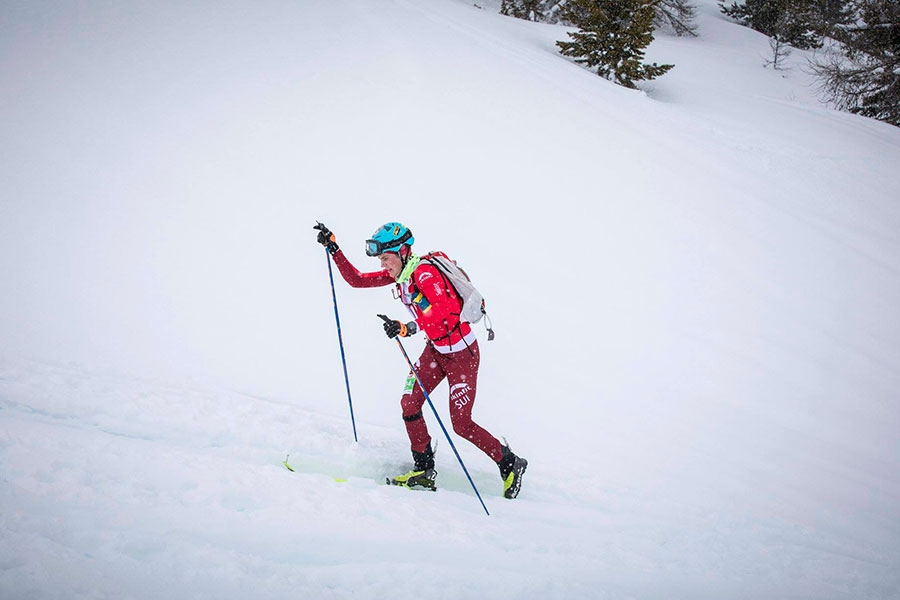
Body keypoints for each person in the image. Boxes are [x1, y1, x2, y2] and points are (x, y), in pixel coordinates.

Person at [314, 221, 527, 499]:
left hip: (462, 355)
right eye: (381, 260)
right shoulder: (401, 276)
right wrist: (334, 247)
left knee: (461, 424)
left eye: (386, 258)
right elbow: (356, 280)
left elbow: (444, 315)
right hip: (436, 352)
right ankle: (423, 470)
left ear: (402, 252)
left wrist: (406, 328)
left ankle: (510, 462)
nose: (383, 265)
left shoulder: (425, 274)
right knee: (409, 402)